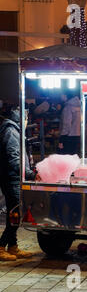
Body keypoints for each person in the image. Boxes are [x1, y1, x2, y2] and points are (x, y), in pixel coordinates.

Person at [0, 104, 35, 261]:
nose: (28, 121)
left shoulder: (13, 130)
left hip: (14, 178)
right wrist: (28, 174)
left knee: (13, 213)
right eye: (27, 118)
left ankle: (13, 246)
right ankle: (1, 246)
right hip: (11, 178)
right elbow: (14, 158)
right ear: (23, 118)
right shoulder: (11, 131)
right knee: (15, 213)